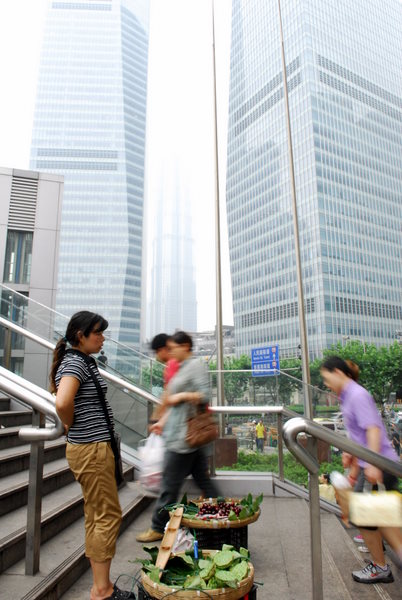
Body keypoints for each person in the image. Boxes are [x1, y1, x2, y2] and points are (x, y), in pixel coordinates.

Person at [50, 311, 133, 600]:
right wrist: (71, 423)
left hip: (92, 447)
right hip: (91, 448)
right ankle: (102, 589)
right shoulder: (75, 362)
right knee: (108, 515)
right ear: (80, 335)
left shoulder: (81, 360)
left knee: (96, 514)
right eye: (97, 332)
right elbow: (63, 402)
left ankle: (100, 585)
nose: (103, 338)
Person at [321, 356, 402, 584]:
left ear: (338, 372)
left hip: (378, 465)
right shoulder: (347, 397)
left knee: (376, 519)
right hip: (371, 465)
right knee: (375, 518)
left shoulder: (357, 395)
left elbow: (373, 430)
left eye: (327, 378)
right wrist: (352, 455)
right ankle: (381, 565)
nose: (326, 384)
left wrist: (373, 464)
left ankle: (381, 566)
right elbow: (360, 434)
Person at [136, 331, 221, 543]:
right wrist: (162, 422)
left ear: (185, 346)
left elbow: (204, 395)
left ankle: (158, 527)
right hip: (179, 434)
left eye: (173, 348)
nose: (170, 352)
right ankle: (221, 512)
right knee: (202, 480)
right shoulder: (180, 366)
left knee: (169, 485)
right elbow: (173, 405)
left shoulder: (196, 366)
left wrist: (182, 396)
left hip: (183, 438)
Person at [149, 333, 180, 424]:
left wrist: (155, 417)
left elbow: (169, 392)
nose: (157, 355)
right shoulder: (176, 362)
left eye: (157, 352)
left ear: (163, 349)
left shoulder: (172, 364)